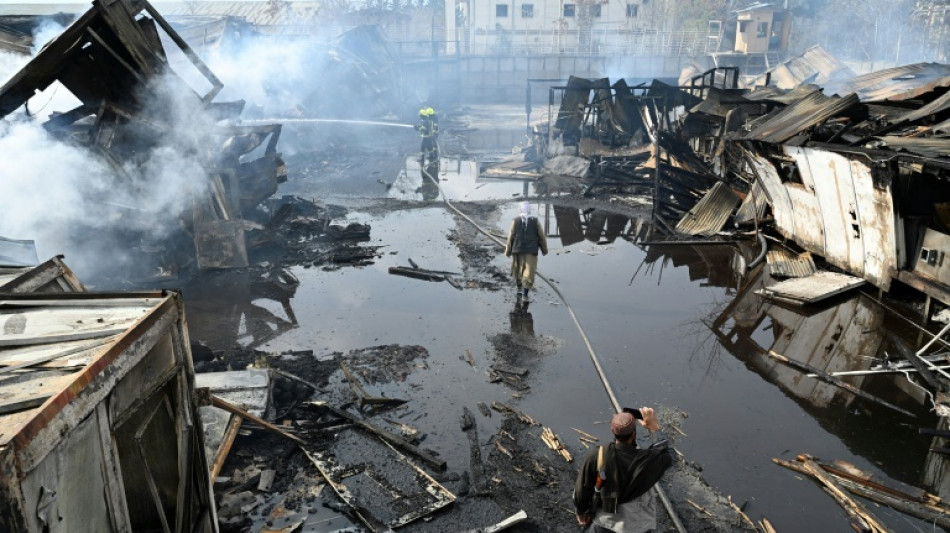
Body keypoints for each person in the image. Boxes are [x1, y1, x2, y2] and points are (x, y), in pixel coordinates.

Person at [573, 407, 673, 533]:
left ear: (612, 431)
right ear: (634, 433)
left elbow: (581, 491)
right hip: (640, 527)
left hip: (605, 524)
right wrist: (654, 427)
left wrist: (581, 512)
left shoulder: (598, 455)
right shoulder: (650, 460)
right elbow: (668, 453)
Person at [504, 202, 547, 302]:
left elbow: (510, 237)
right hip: (531, 251)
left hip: (517, 250)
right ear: (529, 210)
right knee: (529, 272)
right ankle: (525, 295)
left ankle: (519, 288)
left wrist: (508, 251)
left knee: (518, 270)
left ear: (520, 209)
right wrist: (544, 250)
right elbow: (542, 237)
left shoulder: (515, 221)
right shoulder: (535, 221)